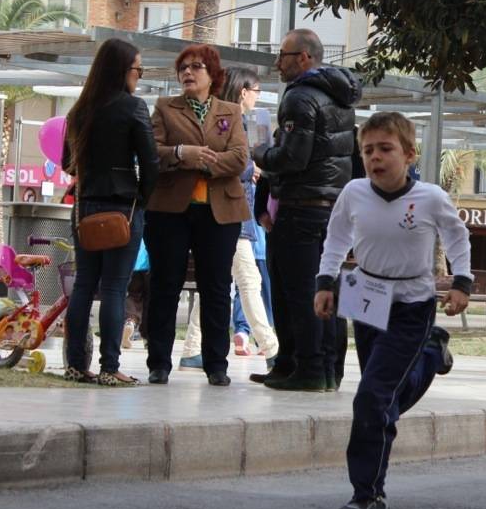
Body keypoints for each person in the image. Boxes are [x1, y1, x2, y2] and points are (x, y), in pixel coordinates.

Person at [314, 112, 467, 509]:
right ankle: (432, 354)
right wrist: (325, 282)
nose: (375, 158)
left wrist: (462, 281)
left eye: (385, 149)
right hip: (365, 295)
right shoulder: (353, 192)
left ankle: (368, 494)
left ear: (409, 154)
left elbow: (457, 235)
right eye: (368, 151)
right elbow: (336, 237)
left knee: (373, 397)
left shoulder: (431, 197)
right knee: (380, 395)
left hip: (413, 302)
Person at [255, 28, 361, 392]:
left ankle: (310, 369)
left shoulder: (300, 97)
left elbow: (292, 157)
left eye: (282, 56)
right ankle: (325, 369)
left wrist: (259, 153)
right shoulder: (341, 97)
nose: (277, 63)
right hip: (332, 209)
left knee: (298, 292)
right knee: (327, 288)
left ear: (304, 58)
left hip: (300, 208)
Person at [144, 44, 249, 387]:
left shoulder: (230, 111)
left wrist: (204, 161)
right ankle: (158, 362)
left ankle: (216, 364)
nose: (188, 72)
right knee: (164, 285)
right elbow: (151, 153)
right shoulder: (164, 107)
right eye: (183, 68)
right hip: (170, 211)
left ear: (213, 75)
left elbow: (239, 159)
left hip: (220, 212)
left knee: (217, 288)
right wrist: (181, 152)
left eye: (197, 67)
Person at [60, 37, 158, 386]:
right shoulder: (133, 107)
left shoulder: (79, 110)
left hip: (85, 207)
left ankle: (75, 364)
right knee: (116, 288)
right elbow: (150, 163)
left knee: (85, 284)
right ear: (122, 70)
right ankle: (109, 368)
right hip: (123, 209)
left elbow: (67, 163)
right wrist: (142, 200)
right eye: (137, 69)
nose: (139, 75)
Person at [178, 68, 279, 368]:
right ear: (243, 90)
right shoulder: (226, 121)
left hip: (236, 212)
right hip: (229, 211)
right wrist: (252, 169)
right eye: (257, 90)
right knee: (249, 281)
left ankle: (192, 348)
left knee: (220, 282)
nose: (258, 97)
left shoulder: (236, 120)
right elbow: (224, 161)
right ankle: (272, 349)